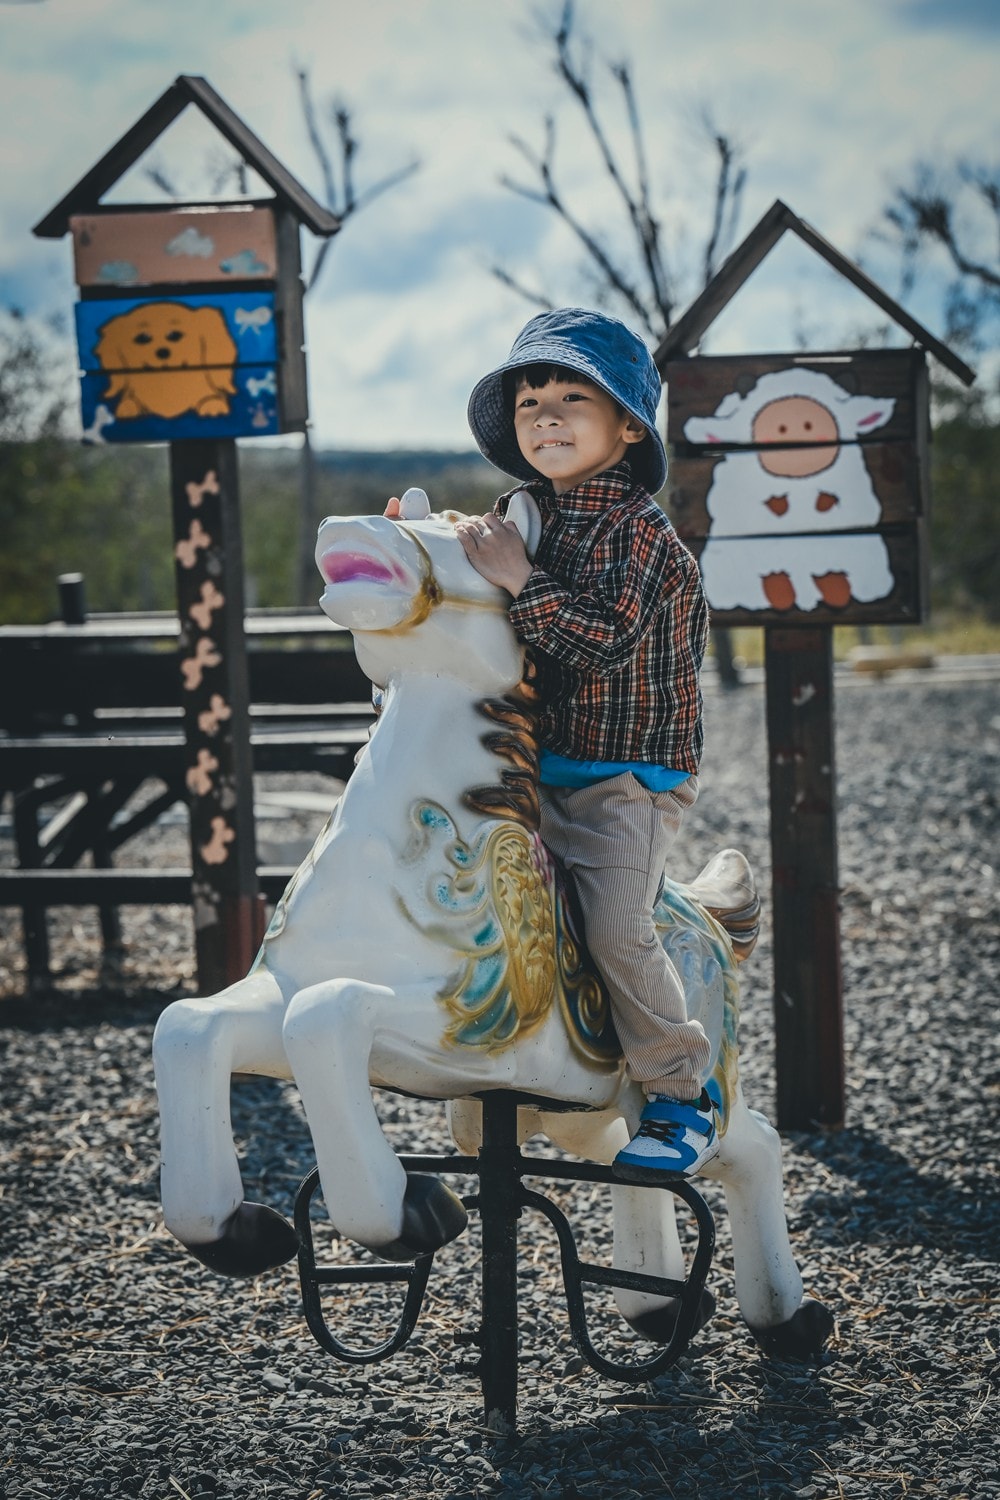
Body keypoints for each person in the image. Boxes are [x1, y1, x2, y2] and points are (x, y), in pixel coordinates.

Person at [443, 307, 718, 1182]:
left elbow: (600, 639)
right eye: (530, 404)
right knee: (475, 903)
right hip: (537, 765)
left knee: (614, 925)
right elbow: (481, 571)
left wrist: (520, 579)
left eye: (572, 398)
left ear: (628, 426)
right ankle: (519, 1057)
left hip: (626, 774)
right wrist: (432, 548)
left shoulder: (643, 533)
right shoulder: (525, 511)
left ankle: (680, 1093)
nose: (547, 418)